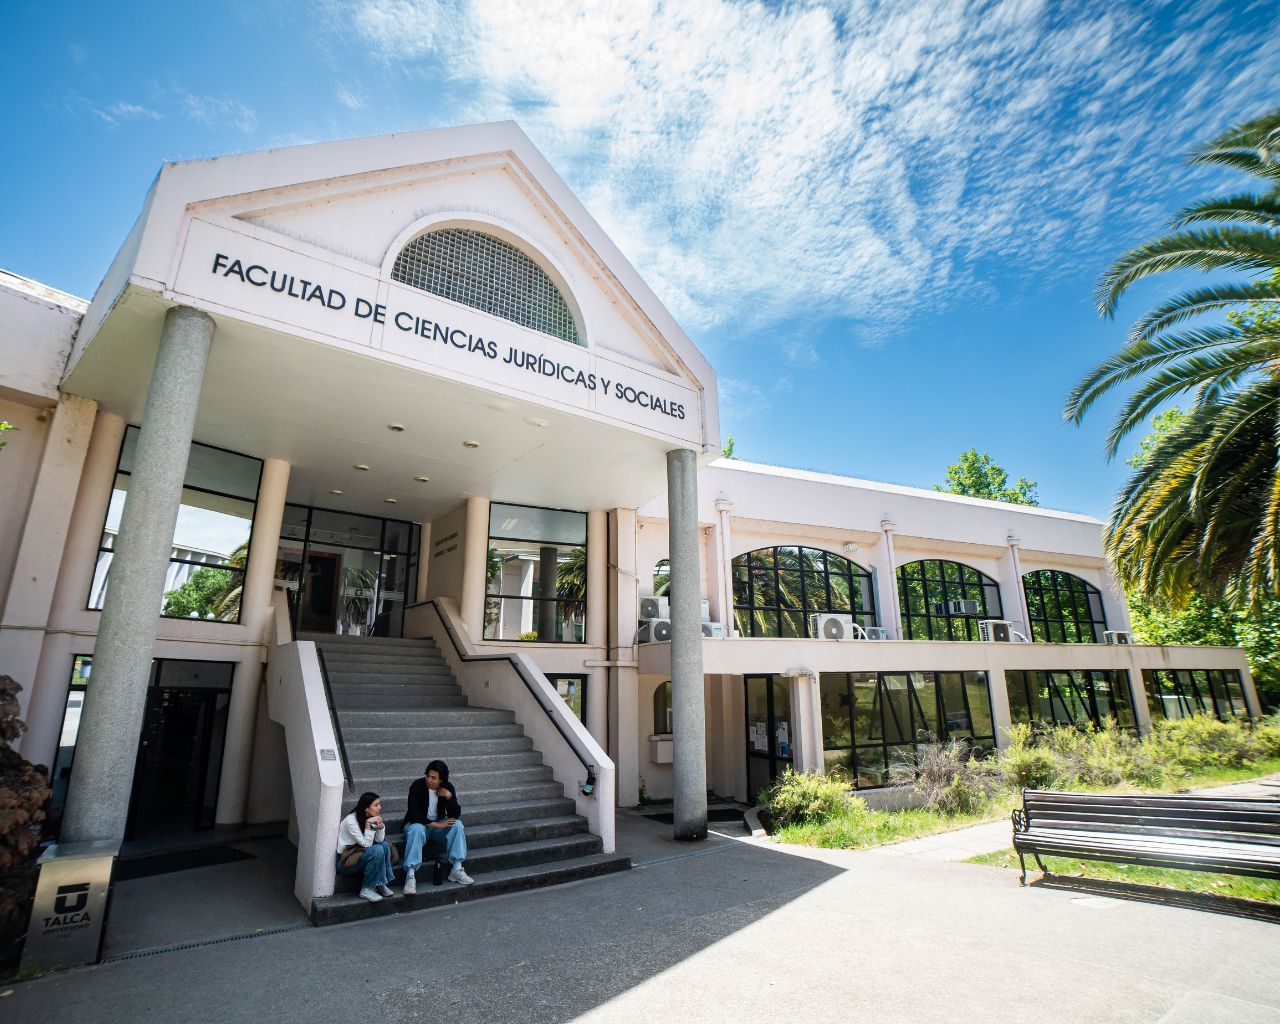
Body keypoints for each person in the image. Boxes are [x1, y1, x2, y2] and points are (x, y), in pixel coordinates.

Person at [402, 759, 473, 893]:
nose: (429, 780)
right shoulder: (417, 785)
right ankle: (410, 875)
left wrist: (449, 797)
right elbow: (413, 813)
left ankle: (456, 869)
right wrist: (436, 824)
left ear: (441, 780)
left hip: (437, 827)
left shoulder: (447, 787)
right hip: (416, 825)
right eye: (427, 776)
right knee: (417, 829)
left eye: (433, 778)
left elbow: (455, 814)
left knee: (457, 825)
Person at [336, 791, 396, 902]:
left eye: (379, 804)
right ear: (366, 808)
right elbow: (367, 844)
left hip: (360, 854)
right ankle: (366, 888)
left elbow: (379, 840)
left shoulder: (369, 818)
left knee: (384, 845)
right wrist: (369, 825)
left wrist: (380, 828)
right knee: (377, 850)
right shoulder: (351, 821)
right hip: (346, 862)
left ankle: (380, 883)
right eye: (376, 805)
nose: (380, 807)